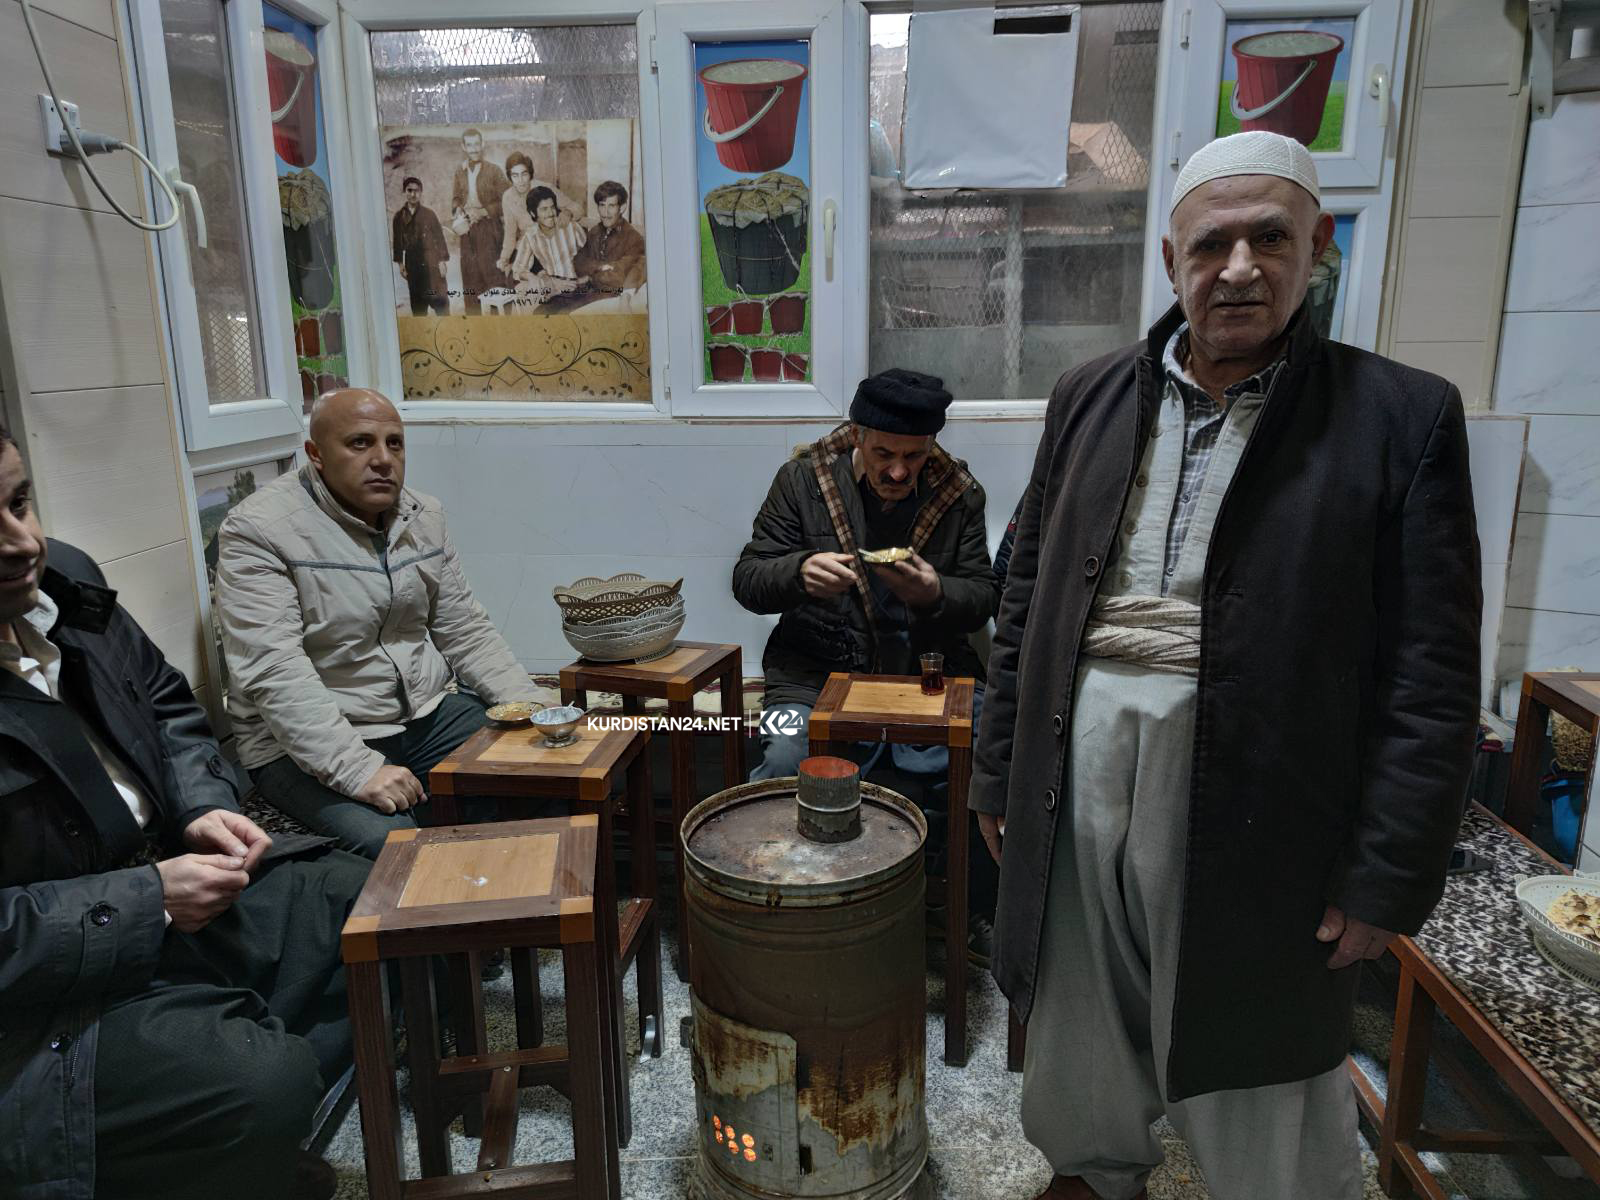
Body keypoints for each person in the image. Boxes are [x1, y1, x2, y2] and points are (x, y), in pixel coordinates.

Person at [972, 131, 1481, 1200]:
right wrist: (997, 771)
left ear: (1316, 247)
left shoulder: (1398, 416)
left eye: (1268, 238)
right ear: (1171, 261)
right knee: (1076, 1004)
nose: (1239, 268)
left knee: (1249, 1020)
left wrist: (1390, 871)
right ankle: (1092, 1167)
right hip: (1075, 758)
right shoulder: (1090, 396)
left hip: (1264, 777)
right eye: (1212, 245)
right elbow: (1024, 601)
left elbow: (1428, 676)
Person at [0, 425, 366, 1200]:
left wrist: (201, 804)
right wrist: (142, 901)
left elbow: (169, 705)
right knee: (262, 1082)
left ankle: (225, 1125)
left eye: (19, 501)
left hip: (165, 882)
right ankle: (238, 1106)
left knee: (378, 902)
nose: (21, 541)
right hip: (47, 997)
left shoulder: (64, 584)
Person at [733, 368, 1002, 958]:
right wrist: (797, 571)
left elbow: (984, 594)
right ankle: (774, 910)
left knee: (993, 746)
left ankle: (977, 909)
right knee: (783, 748)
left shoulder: (958, 493)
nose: (899, 470)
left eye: (914, 454)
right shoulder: (803, 480)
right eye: (884, 453)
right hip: (811, 676)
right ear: (857, 434)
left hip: (926, 681)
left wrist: (934, 592)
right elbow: (748, 580)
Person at [216, 388, 539, 860]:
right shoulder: (259, 531)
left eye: (395, 443)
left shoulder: (422, 516)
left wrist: (531, 706)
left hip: (423, 715)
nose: (383, 460)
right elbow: (274, 669)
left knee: (541, 773)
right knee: (394, 848)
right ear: (316, 455)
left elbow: (464, 628)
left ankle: (523, 916)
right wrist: (357, 769)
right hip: (301, 744)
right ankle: (452, 924)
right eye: (361, 443)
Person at [450, 128, 508, 315]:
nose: (474, 149)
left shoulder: (494, 170)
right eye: (469, 145)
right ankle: (474, 323)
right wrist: (458, 208)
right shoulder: (460, 170)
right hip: (467, 231)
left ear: (482, 145)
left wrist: (483, 212)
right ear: (463, 147)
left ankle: (499, 323)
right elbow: (456, 197)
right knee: (470, 276)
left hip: (489, 230)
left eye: (477, 144)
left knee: (491, 274)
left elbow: (507, 200)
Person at [495, 153, 579, 280]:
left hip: (549, 245)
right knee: (513, 277)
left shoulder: (544, 188)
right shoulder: (508, 197)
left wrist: (568, 212)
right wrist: (504, 258)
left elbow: (577, 207)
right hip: (526, 247)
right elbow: (510, 233)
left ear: (530, 174)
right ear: (510, 178)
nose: (521, 180)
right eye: (515, 176)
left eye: (524, 174)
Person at [511, 185, 587, 301]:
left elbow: (592, 255)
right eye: (544, 209)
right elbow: (517, 270)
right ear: (532, 213)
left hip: (579, 289)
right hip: (554, 292)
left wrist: (581, 281)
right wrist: (534, 277)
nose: (551, 213)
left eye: (552, 207)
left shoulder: (571, 227)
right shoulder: (531, 236)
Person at [573, 180, 647, 293]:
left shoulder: (634, 239)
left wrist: (590, 277)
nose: (605, 212)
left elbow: (619, 278)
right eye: (602, 205)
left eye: (611, 206)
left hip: (609, 296)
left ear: (622, 208)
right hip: (586, 291)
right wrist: (601, 266)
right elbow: (578, 261)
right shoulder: (595, 231)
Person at [392, 175, 449, 316]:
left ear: (421, 193)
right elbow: (397, 243)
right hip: (413, 265)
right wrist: (401, 265)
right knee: (418, 308)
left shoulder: (429, 214)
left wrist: (442, 262)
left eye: (416, 191)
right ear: (404, 192)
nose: (413, 194)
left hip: (432, 264)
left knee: (441, 305)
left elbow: (439, 238)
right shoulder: (399, 217)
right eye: (409, 190)